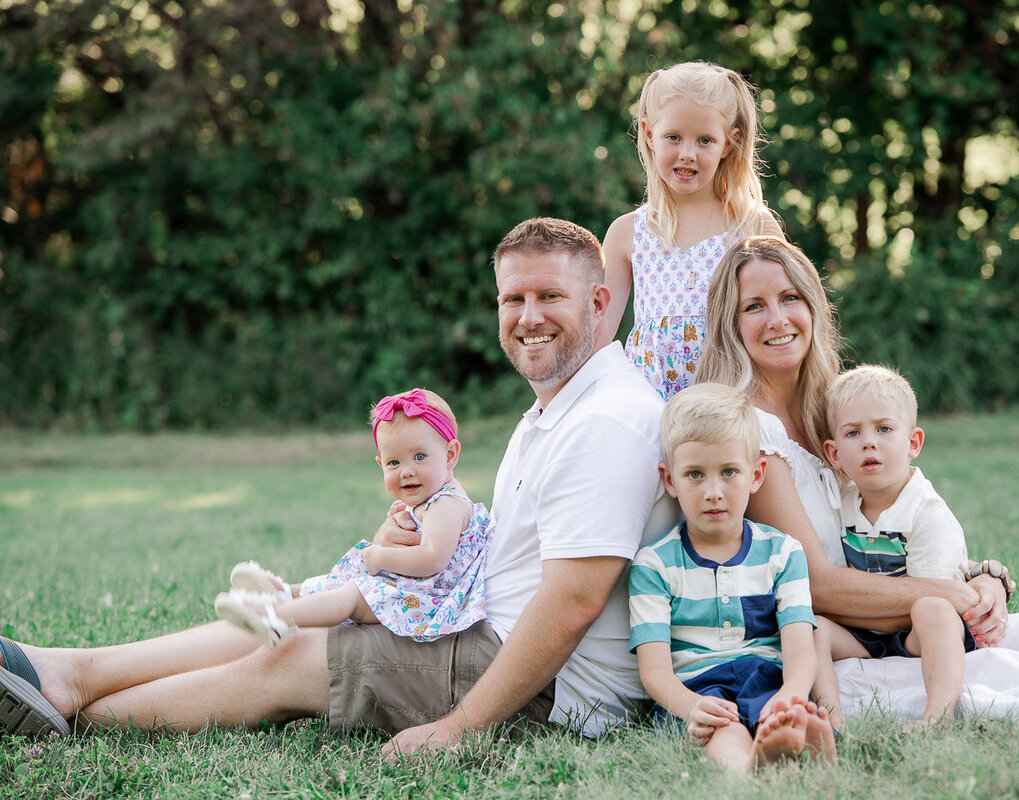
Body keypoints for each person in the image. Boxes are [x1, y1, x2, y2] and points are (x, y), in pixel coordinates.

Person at [0, 218, 679, 756]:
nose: (528, 316)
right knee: (295, 607)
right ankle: (66, 671)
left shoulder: (610, 419)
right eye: (513, 298)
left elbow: (573, 601)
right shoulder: (565, 406)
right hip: (486, 627)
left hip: (549, 690)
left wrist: (462, 726)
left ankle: (74, 712)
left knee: (289, 655)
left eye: (549, 296)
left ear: (598, 301)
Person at [699, 235, 1019, 723]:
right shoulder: (748, 430)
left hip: (887, 608)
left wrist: (981, 579)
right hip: (825, 630)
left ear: (813, 307)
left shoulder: (832, 408)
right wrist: (951, 596)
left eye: (790, 298)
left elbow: (895, 515)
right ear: (731, 323)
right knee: (1008, 669)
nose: (778, 319)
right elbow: (817, 582)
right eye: (754, 306)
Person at [629, 383, 836, 771]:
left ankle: (798, 747)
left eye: (729, 472)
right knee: (725, 732)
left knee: (789, 717)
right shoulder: (654, 565)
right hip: (699, 692)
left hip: (768, 681)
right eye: (694, 474)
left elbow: (800, 648)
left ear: (756, 474)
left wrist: (790, 693)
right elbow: (654, 670)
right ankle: (744, 774)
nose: (713, 492)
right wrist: (690, 706)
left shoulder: (783, 552)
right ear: (669, 479)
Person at [213, 388, 489, 647]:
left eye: (419, 456)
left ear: (450, 455)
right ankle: (289, 593)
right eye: (394, 462)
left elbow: (433, 558)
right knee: (347, 579)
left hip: (428, 601)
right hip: (415, 588)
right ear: (381, 462)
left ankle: (277, 618)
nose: (406, 471)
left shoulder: (446, 506)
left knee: (352, 593)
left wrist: (380, 556)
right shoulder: (433, 497)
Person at [601, 61, 784, 399]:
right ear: (649, 133)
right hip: (646, 409)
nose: (687, 154)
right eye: (673, 137)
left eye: (705, 140)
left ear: (728, 144)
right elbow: (597, 338)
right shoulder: (627, 233)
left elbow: (778, 323)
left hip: (729, 408)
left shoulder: (753, 226)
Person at [810, 365, 974, 732]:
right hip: (865, 634)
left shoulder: (926, 512)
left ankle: (937, 717)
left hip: (918, 633)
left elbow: (933, 595)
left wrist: (856, 611)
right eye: (853, 433)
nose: (869, 442)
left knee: (933, 609)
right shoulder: (842, 503)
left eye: (884, 429)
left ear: (913, 443)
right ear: (834, 454)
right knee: (814, 627)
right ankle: (829, 718)